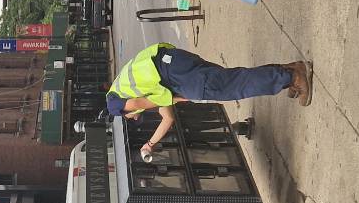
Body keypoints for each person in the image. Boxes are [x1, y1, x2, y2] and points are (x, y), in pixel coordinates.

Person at [107, 43, 312, 159]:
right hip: (174, 62)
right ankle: (288, 71)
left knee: (234, 86)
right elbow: (168, 118)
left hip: (178, 77)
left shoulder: (115, 104)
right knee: (232, 79)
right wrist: (149, 144)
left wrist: (178, 98)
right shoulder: (128, 85)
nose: (133, 118)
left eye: (129, 117)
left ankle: (293, 77)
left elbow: (138, 105)